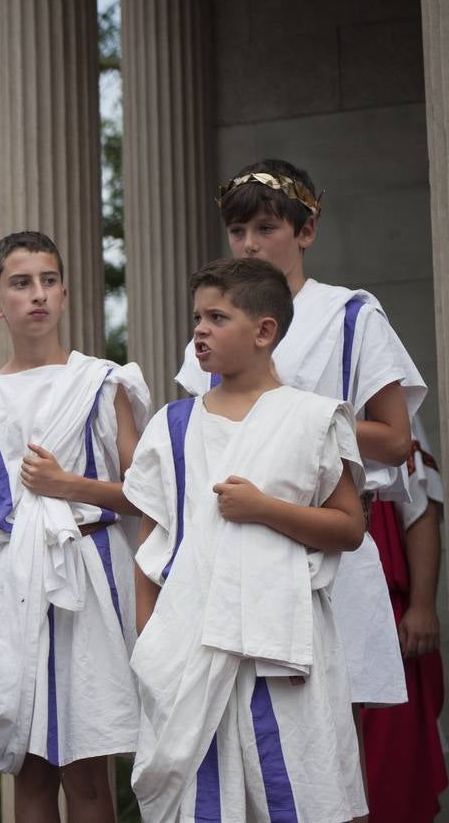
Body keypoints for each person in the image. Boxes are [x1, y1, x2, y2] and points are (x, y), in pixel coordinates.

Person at [175, 160, 426, 718]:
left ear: (306, 230)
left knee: (335, 742)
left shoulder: (350, 315)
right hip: (235, 542)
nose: (249, 245)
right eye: (238, 231)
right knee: (239, 724)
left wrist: (290, 418)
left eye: (266, 228)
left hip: (329, 538)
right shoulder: (219, 324)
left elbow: (393, 441)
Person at [0, 231, 149, 822]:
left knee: (87, 768)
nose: (36, 295)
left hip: (89, 577)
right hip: (10, 581)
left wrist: (69, 486)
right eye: (20, 284)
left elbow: (149, 495)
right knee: (29, 767)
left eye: (48, 281)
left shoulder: (101, 382)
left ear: (65, 295)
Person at [130, 258, 367, 821]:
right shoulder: (172, 424)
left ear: (264, 332)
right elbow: (148, 546)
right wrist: (149, 640)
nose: (200, 330)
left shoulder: (312, 418)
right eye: (197, 318)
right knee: (200, 801)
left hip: (281, 642)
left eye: (218, 316)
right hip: (188, 645)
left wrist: (265, 509)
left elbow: (349, 527)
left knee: (296, 794)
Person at [362, 414, 446, 821]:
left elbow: (420, 511)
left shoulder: (390, 409)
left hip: (382, 622)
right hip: (304, 620)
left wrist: (423, 606)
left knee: (391, 777)